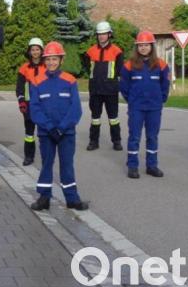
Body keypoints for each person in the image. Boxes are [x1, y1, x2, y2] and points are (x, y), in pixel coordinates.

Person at [29, 42, 89, 211]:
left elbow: (75, 109)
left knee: (67, 165)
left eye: (54, 59)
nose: (51, 63)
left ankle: (72, 199)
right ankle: (44, 197)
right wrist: (49, 127)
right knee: (47, 164)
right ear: (44, 61)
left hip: (66, 133)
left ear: (61, 60)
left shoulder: (70, 81)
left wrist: (62, 128)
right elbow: (35, 108)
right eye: (48, 59)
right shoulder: (36, 81)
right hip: (46, 133)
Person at [120, 31, 170, 179]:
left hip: (154, 107)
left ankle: (152, 166)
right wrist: (132, 101)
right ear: (137, 47)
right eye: (140, 45)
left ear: (151, 46)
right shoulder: (129, 65)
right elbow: (123, 86)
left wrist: (160, 99)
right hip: (136, 107)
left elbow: (165, 85)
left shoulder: (161, 64)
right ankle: (133, 166)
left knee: (152, 137)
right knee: (134, 137)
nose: (143, 48)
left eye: (146, 45)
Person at [82, 21, 124, 151]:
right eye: (99, 34)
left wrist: (110, 80)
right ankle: (93, 142)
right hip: (95, 90)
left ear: (109, 34)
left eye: (104, 34)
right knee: (95, 118)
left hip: (111, 90)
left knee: (114, 118)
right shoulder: (90, 51)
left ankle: (116, 141)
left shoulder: (117, 51)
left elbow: (119, 69)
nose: (101, 36)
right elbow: (85, 66)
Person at [16, 38, 46, 166]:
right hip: (28, 105)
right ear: (29, 51)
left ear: (41, 51)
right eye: (32, 49)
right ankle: (29, 156)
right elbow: (19, 88)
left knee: (44, 132)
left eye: (37, 49)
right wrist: (21, 101)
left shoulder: (47, 67)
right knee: (29, 133)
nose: (35, 52)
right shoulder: (24, 69)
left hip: (44, 106)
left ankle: (46, 156)